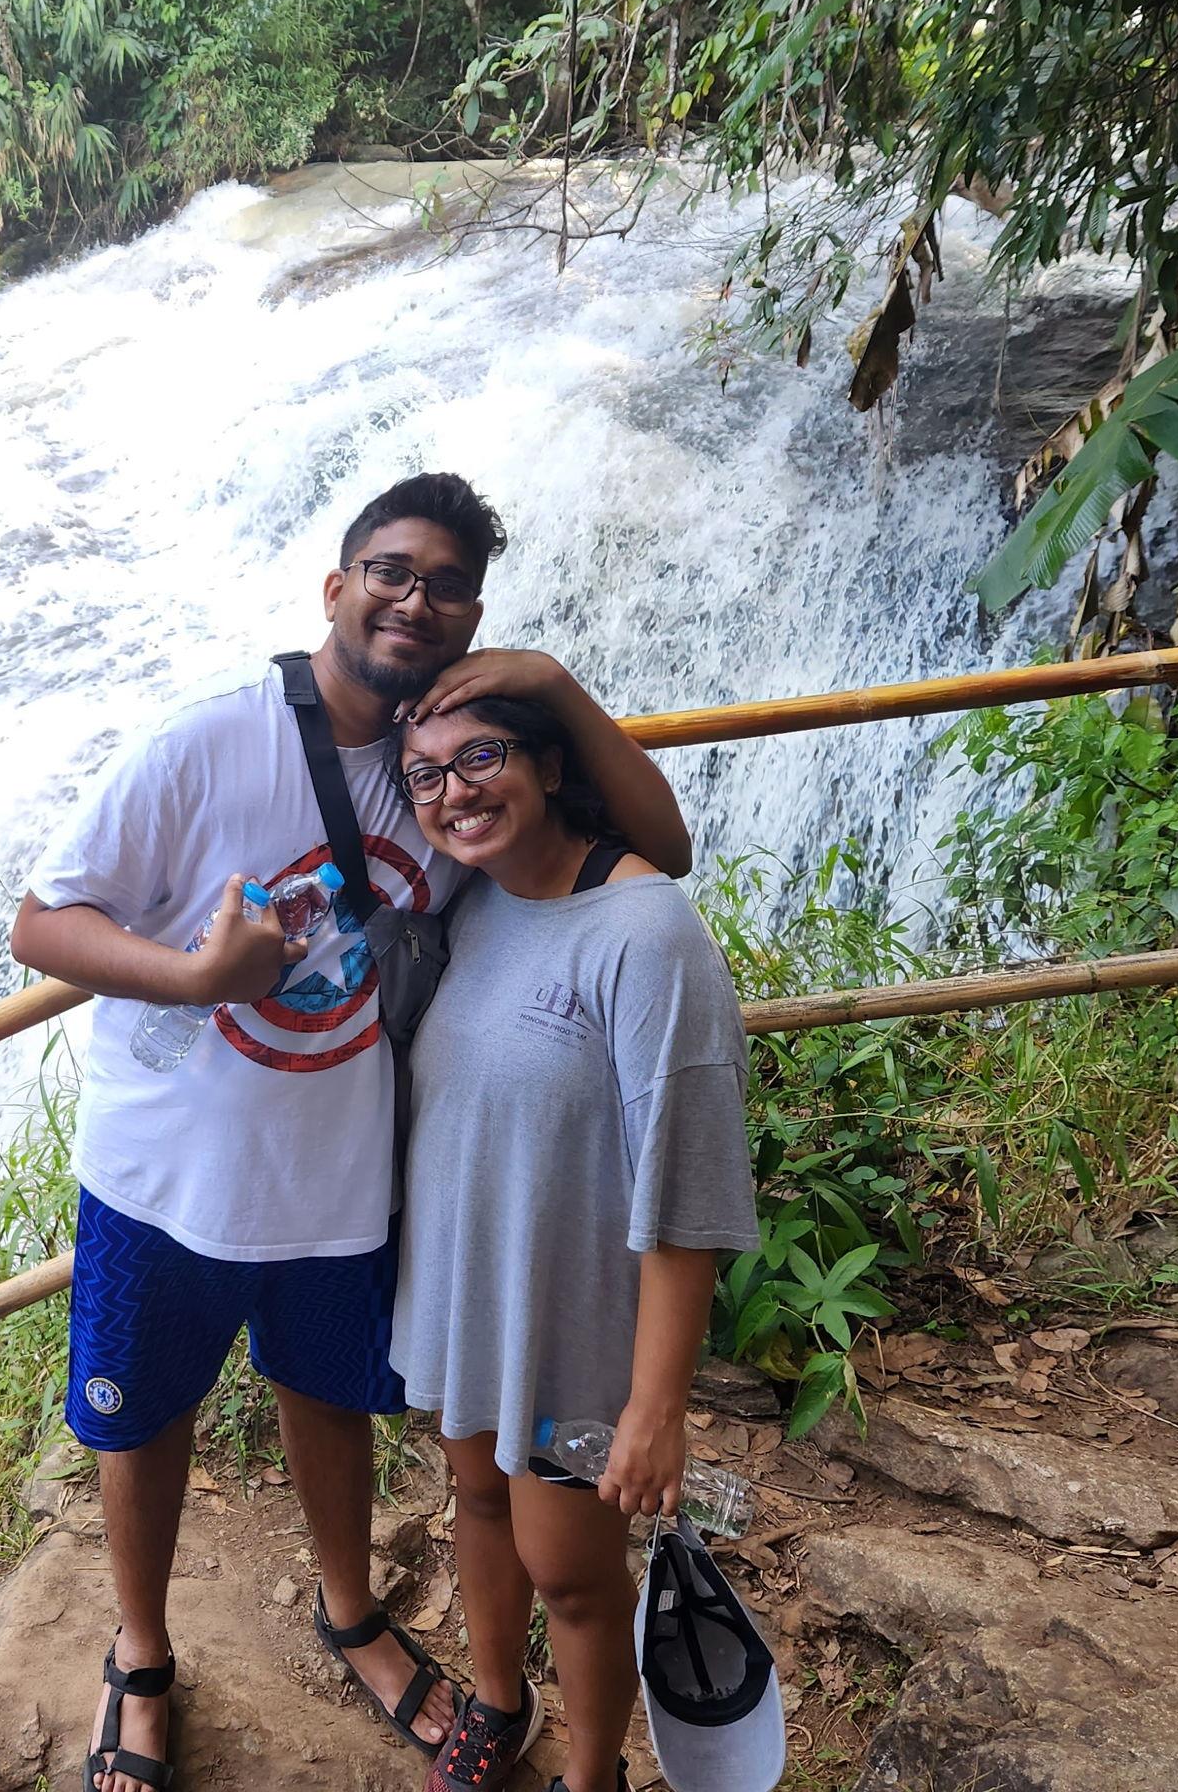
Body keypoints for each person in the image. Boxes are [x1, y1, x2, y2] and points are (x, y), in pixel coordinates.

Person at [10, 474, 691, 1792]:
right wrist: (199, 978)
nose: (413, 598)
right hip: (167, 1181)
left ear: (470, 617)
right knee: (144, 1421)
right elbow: (44, 921)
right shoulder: (212, 744)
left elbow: (659, 848)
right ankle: (142, 1657)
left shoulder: (458, 769)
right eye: (390, 570)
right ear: (336, 588)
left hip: (340, 1182)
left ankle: (353, 1616)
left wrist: (546, 683)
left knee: (326, 1399)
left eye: (443, 583)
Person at [382, 684, 760, 1792]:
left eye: (480, 755)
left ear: (549, 765)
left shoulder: (644, 934)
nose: (453, 791)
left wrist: (654, 1407)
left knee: (575, 1575)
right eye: (426, 774)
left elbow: (686, 1185)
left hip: (573, 1323)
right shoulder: (476, 898)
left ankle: (591, 1774)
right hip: (472, 1300)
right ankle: (498, 1699)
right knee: (479, 1504)